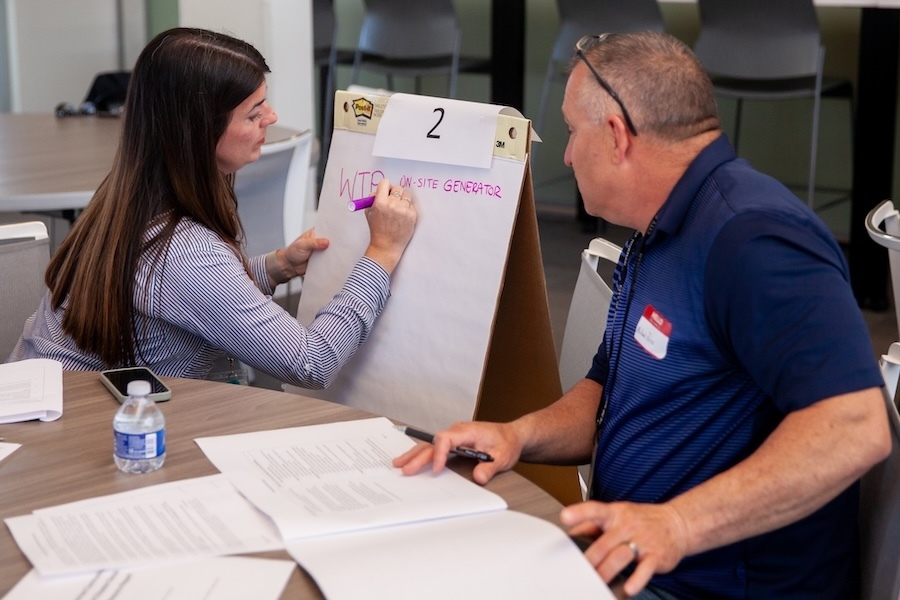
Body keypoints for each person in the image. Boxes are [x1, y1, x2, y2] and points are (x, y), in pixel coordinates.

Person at [394, 31, 889, 599]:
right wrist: (518, 434)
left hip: (708, 586)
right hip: (626, 561)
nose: (565, 154)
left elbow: (856, 427)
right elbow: (611, 390)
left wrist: (676, 525)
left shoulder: (753, 238)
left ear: (616, 137)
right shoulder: (661, 228)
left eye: (572, 132)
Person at [7, 28, 417, 388]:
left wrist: (277, 266)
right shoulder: (183, 252)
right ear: (199, 131)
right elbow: (311, 363)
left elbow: (189, 302)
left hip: (52, 407)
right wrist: (381, 253)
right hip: (77, 434)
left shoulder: (128, 195)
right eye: (254, 113)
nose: (271, 117)